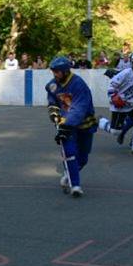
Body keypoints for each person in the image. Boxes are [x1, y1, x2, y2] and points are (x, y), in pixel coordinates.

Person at [45, 56, 97, 197]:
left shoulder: (78, 84)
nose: (54, 75)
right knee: (69, 151)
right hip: (66, 123)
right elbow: (52, 101)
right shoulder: (52, 85)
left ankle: (68, 175)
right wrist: (54, 113)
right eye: (53, 72)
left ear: (65, 71)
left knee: (83, 157)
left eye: (57, 72)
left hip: (84, 122)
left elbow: (79, 108)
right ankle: (75, 185)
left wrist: (66, 126)